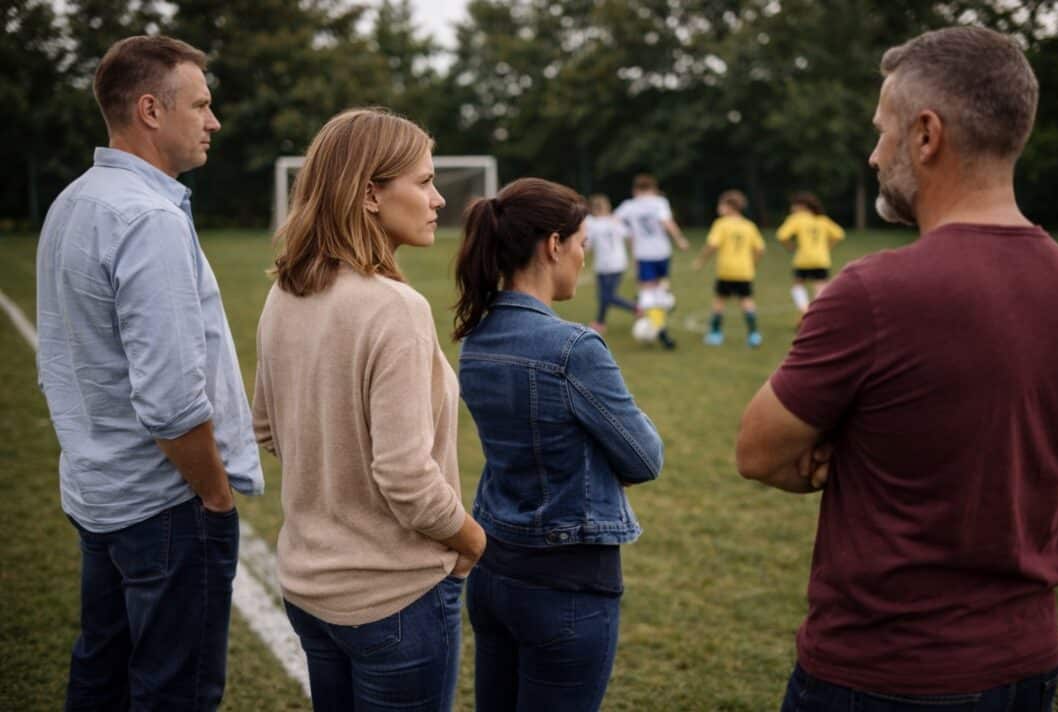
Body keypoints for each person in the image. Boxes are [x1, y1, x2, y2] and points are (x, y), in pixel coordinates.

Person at [736, 26, 1058, 712]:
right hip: (1028, 664)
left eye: (883, 130)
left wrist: (839, 446)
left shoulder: (873, 292)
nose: (873, 152)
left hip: (885, 672)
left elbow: (759, 453)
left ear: (926, 135)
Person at [35, 36, 263, 709]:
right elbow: (169, 401)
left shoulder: (73, 201)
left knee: (101, 673)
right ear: (150, 111)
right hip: (162, 506)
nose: (214, 121)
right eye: (201, 104)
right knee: (175, 692)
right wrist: (216, 497)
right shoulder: (146, 218)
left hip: (97, 492)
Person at [252, 108, 485, 712]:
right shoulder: (394, 308)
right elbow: (406, 476)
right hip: (396, 600)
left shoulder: (284, 292)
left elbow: (268, 430)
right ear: (369, 193)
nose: (438, 199)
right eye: (424, 181)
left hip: (309, 590)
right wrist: (474, 540)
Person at [452, 177, 664, 711]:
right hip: (566, 584)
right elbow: (645, 458)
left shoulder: (476, 339)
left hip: (494, 573)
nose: (583, 259)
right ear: (553, 245)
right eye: (582, 245)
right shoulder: (574, 347)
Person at [614, 173, 690, 349]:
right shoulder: (659, 202)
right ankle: (661, 318)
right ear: (653, 189)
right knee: (661, 288)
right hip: (662, 252)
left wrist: (628, 234)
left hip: (644, 254)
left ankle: (659, 327)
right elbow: (667, 222)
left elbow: (614, 221)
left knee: (648, 292)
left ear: (635, 190)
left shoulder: (629, 206)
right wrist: (679, 239)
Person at [692, 189, 765, 348]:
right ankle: (753, 335)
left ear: (729, 206)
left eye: (721, 204)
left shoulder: (721, 224)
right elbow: (760, 249)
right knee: (746, 301)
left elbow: (712, 244)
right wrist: (753, 263)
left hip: (726, 270)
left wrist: (701, 260)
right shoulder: (749, 226)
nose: (719, 208)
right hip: (745, 271)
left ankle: (715, 334)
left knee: (719, 301)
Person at [775, 191, 844, 316]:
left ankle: (805, 312)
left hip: (803, 259)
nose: (792, 208)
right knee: (821, 288)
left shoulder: (797, 219)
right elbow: (839, 234)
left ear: (802, 206)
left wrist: (790, 247)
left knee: (797, 286)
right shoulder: (823, 220)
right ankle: (819, 314)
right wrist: (827, 247)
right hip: (821, 259)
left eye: (794, 205)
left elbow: (781, 235)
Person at [585, 193, 637, 334]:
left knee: (607, 296)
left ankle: (636, 308)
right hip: (616, 263)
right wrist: (633, 254)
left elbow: (588, 246)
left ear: (594, 209)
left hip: (608, 265)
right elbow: (630, 235)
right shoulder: (615, 221)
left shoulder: (593, 224)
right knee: (603, 296)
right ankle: (600, 323)